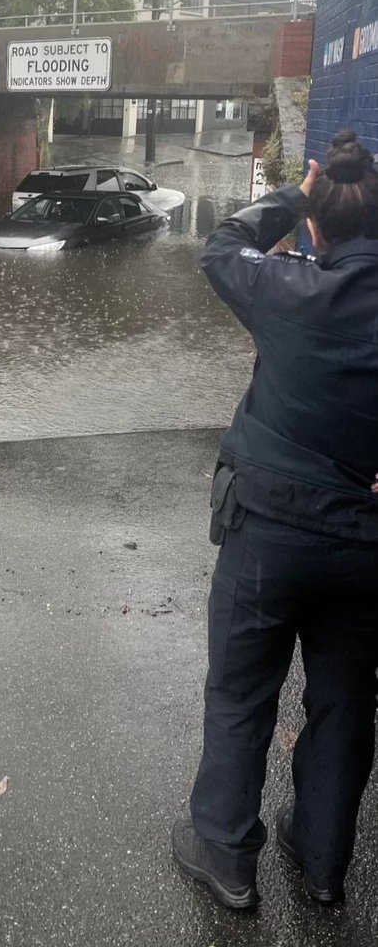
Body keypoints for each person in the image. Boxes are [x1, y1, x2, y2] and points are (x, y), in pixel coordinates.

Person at [172, 130, 378, 911]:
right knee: (344, 697)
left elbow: (222, 242)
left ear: (316, 227)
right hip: (365, 544)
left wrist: (300, 192)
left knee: (240, 692)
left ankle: (225, 857)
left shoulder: (283, 289)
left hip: (268, 533)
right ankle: (323, 864)